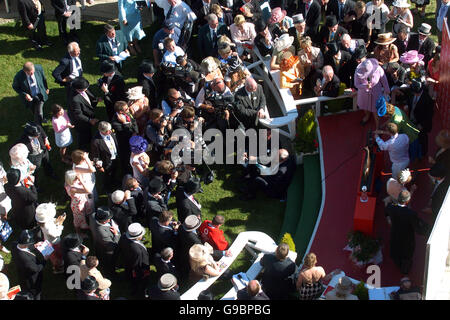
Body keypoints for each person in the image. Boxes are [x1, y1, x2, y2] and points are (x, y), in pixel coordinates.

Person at [385, 190, 426, 274]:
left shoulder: (391, 207)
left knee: (396, 251)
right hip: (407, 238)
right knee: (407, 256)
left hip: (395, 234)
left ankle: (397, 264)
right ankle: (405, 270)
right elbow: (417, 228)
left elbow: (386, 212)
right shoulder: (411, 213)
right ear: (407, 201)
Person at [354, 58, 390, 127]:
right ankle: (367, 116)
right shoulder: (358, 71)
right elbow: (356, 84)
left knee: (375, 110)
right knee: (364, 106)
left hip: (376, 93)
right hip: (363, 94)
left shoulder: (379, 69)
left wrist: (387, 91)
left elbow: (384, 81)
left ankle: (377, 126)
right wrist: (365, 86)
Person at [116, 223, 150, 295]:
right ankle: (138, 291)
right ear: (138, 237)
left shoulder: (124, 236)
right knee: (138, 281)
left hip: (127, 261)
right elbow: (138, 264)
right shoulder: (137, 250)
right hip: (137, 268)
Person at [11, 230, 46, 300]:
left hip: (22, 272)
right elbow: (36, 269)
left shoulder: (14, 245)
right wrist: (44, 260)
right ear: (26, 244)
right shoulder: (25, 259)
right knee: (35, 292)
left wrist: (34, 246)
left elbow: (25, 247)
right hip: (31, 280)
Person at [68, 77, 100, 151]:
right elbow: (78, 114)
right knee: (83, 137)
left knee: (88, 134)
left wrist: (95, 100)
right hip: (81, 122)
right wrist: (90, 120)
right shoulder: (74, 99)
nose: (87, 89)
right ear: (79, 89)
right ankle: (83, 151)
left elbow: (89, 98)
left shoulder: (83, 89)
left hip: (87, 116)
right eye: (85, 88)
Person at [88, 207, 120, 276]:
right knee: (110, 264)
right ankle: (112, 274)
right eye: (109, 219)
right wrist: (116, 233)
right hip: (108, 251)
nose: (110, 220)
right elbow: (112, 246)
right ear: (105, 221)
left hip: (98, 244)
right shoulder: (102, 233)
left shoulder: (93, 216)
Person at [34, 203, 65, 274]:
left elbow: (51, 223)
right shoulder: (48, 228)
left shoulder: (43, 223)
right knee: (58, 257)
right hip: (54, 243)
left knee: (53, 256)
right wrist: (60, 224)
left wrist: (56, 221)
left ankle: (56, 265)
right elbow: (56, 234)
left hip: (48, 241)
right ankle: (59, 268)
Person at [90, 121, 120, 192]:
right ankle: (107, 188)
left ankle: (114, 181)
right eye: (107, 131)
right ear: (102, 131)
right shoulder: (96, 142)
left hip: (115, 157)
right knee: (107, 175)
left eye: (110, 129)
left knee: (114, 171)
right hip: (106, 161)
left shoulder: (110, 133)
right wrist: (99, 166)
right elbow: (95, 155)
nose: (110, 131)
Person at [64, 169, 94, 236]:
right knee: (78, 220)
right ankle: (79, 233)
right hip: (77, 205)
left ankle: (84, 225)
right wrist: (81, 180)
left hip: (80, 201)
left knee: (82, 215)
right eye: (76, 178)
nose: (78, 178)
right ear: (73, 179)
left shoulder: (68, 183)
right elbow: (88, 190)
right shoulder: (73, 189)